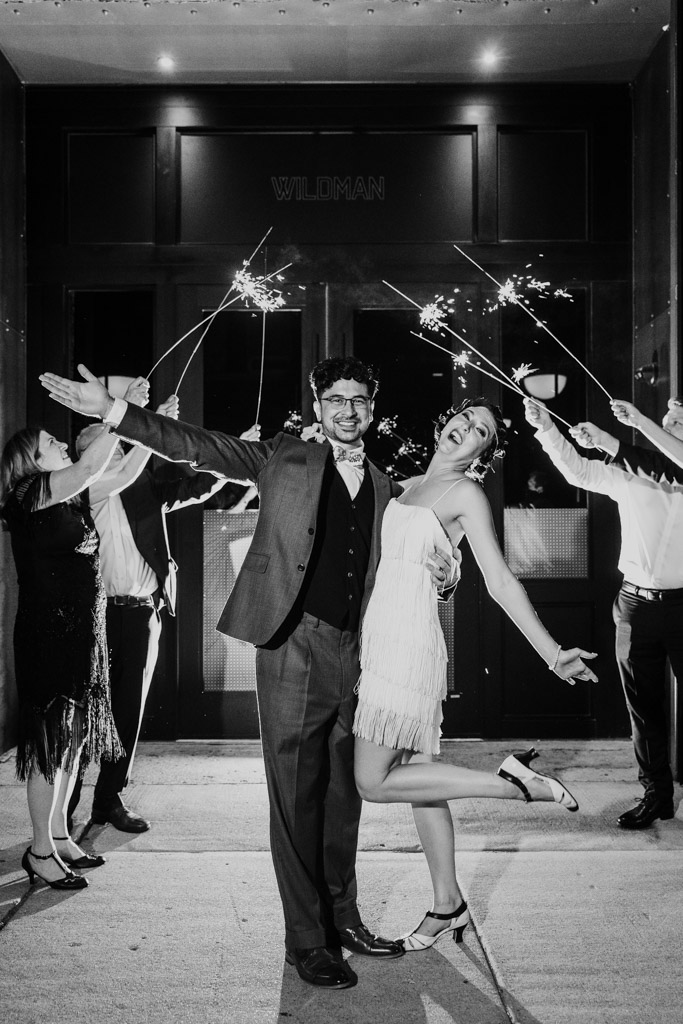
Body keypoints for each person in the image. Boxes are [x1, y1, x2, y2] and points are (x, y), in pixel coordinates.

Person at [38, 356, 453, 991]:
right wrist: (116, 413)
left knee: (344, 798)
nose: (347, 410)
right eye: (335, 399)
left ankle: (344, 919)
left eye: (358, 399)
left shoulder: (381, 481)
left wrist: (441, 575)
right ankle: (307, 940)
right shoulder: (282, 457)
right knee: (294, 798)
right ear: (318, 406)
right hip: (291, 645)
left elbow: (399, 564)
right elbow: (196, 446)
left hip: (360, 651)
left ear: (372, 406)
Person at [351, 396, 598, 951]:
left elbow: (501, 581)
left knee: (371, 781)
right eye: (463, 418)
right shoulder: (407, 484)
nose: (466, 427)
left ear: (484, 452)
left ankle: (513, 785)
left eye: (481, 431)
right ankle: (448, 905)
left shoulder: (466, 493)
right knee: (420, 778)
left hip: (404, 646)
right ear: (446, 421)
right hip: (379, 636)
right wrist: (445, 573)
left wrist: (552, 652)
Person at [69, 391, 248, 834]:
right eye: (102, 442)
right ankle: (64, 802)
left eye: (114, 441)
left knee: (130, 711)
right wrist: (145, 423)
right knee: (90, 712)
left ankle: (107, 801)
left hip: (143, 612)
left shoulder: (141, 488)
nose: (112, 448)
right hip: (98, 617)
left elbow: (192, 488)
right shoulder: (82, 492)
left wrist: (233, 461)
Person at [525, 396, 683, 830]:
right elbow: (579, 470)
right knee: (644, 710)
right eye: (669, 419)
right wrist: (546, 429)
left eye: (679, 421)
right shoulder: (631, 477)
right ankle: (657, 796)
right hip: (635, 606)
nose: (671, 426)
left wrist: (620, 437)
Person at [0, 422, 125, 890]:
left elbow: (120, 474)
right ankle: (38, 851)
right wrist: (123, 414)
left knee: (70, 741)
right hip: (48, 638)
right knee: (50, 745)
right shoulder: (28, 495)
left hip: (80, 636)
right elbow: (92, 464)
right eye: (50, 442)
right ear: (32, 460)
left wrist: (147, 429)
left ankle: (57, 835)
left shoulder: (69, 496)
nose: (61, 443)